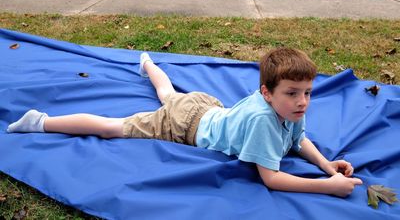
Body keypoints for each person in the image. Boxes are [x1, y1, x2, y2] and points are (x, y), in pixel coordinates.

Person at [7, 48, 363, 197]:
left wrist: (324, 164)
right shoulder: (262, 121)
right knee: (114, 127)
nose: (302, 101)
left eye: (307, 93)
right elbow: (270, 178)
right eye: (292, 93)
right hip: (186, 125)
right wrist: (326, 186)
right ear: (267, 93)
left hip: (206, 106)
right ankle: (42, 122)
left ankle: (146, 64)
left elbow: (299, 140)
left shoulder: (290, 109)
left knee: (167, 93)